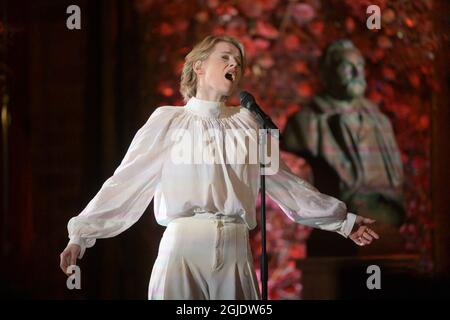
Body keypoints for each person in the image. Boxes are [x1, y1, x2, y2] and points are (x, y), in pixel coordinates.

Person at [60, 35, 379, 300]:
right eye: (225, 57)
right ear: (198, 65)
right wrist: (82, 233)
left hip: (235, 247)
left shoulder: (249, 124)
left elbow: (284, 184)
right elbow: (127, 180)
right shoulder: (168, 120)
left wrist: (343, 220)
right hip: (184, 245)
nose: (234, 64)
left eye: (238, 61)